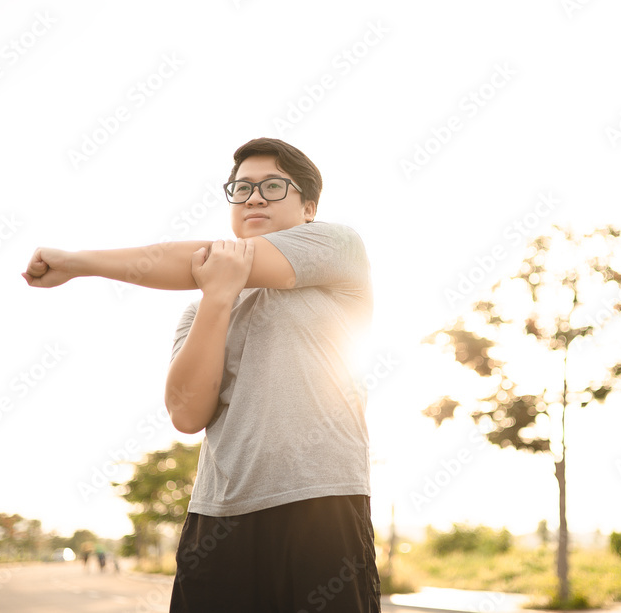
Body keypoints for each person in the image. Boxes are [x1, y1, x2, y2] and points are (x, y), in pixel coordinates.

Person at [22, 138, 380, 612]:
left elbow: (200, 258)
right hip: (217, 519)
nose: (254, 198)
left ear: (309, 207)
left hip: (321, 504)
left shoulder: (338, 248)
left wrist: (76, 262)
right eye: (242, 189)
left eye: (274, 187)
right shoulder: (196, 313)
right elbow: (188, 414)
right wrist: (216, 298)